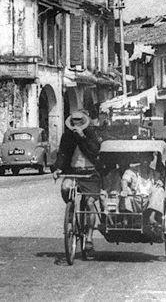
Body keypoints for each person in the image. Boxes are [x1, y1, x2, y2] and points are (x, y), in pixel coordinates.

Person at [52, 110, 103, 257]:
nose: (75, 125)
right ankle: (71, 211)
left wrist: (83, 138)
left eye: (78, 122)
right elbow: (63, 153)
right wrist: (58, 168)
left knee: (90, 203)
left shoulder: (92, 134)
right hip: (73, 171)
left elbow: (95, 152)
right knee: (65, 187)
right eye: (73, 122)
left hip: (91, 172)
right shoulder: (67, 135)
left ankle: (89, 239)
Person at [120, 152, 165, 235]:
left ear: (151, 160)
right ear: (140, 159)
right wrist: (125, 189)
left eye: (147, 159)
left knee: (159, 190)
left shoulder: (155, 173)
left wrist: (159, 182)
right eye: (143, 159)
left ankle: (152, 217)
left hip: (149, 201)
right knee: (127, 191)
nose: (145, 162)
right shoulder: (132, 171)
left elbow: (158, 182)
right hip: (135, 199)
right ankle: (126, 218)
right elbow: (124, 180)